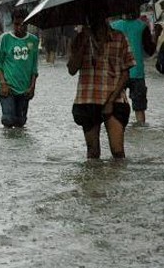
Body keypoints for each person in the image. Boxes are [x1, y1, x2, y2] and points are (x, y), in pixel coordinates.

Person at [67, 12, 135, 159]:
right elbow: (72, 69)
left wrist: (110, 101)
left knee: (118, 152)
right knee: (92, 153)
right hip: (88, 99)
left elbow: (125, 72)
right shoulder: (79, 39)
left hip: (115, 99)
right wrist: (84, 42)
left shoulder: (119, 38)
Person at [111, 9, 161, 125]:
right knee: (139, 109)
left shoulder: (113, 26)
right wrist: (156, 35)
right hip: (137, 73)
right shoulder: (142, 26)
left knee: (114, 108)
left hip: (118, 73)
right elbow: (150, 51)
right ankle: (140, 135)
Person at [0, 9, 39, 128]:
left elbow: (34, 67)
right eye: (16, 24)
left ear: (27, 24)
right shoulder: (4, 38)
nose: (19, 27)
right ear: (13, 23)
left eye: (23, 24)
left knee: (20, 123)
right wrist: (3, 83)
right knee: (8, 120)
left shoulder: (33, 41)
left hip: (25, 89)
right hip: (7, 88)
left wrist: (32, 87)